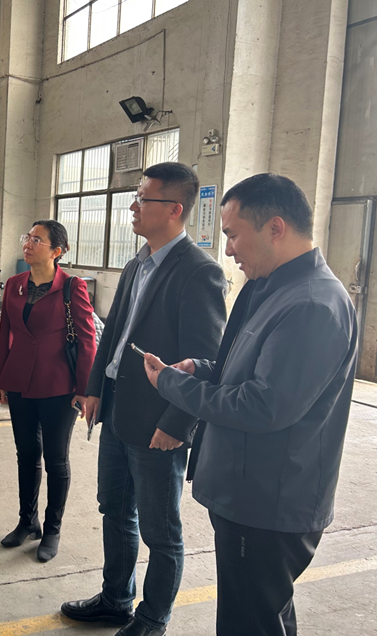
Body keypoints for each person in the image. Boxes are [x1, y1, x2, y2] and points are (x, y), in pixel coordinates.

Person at [142, 173, 357, 636]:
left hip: (268, 503)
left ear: (275, 227)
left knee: (249, 623)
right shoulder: (273, 288)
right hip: (249, 495)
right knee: (261, 616)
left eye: (233, 235)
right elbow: (248, 367)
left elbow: (263, 406)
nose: (229, 250)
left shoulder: (312, 305)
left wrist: (172, 386)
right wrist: (201, 368)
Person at [61, 163, 227, 636]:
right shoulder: (138, 262)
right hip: (117, 409)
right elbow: (113, 332)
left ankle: (153, 619)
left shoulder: (199, 273)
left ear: (174, 209)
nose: (132, 207)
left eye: (142, 199)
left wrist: (178, 424)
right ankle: (116, 599)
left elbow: (207, 362)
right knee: (114, 509)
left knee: (160, 530)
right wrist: (96, 387)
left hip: (158, 422)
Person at [0, 220, 97, 562]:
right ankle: (28, 521)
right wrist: (1, 378)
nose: (28, 243)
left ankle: (52, 529)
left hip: (58, 386)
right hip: (20, 383)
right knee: (26, 454)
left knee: (56, 458)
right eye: (28, 237)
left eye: (37, 240)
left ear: (57, 251)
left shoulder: (71, 287)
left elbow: (87, 340)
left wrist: (83, 389)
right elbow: (5, 334)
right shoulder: (15, 284)